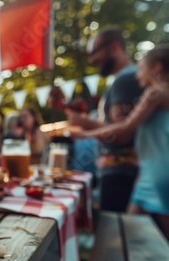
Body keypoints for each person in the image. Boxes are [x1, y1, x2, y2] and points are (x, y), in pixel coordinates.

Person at [72, 44, 169, 239]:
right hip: (150, 171)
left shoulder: (155, 93)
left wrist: (86, 134)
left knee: (125, 233)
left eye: (142, 68)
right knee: (126, 231)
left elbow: (126, 126)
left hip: (159, 172)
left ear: (157, 67)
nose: (137, 74)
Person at [66, 26, 145, 212]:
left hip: (121, 175)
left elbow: (122, 135)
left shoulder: (124, 81)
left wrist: (84, 125)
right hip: (125, 174)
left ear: (114, 47)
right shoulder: (127, 78)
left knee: (116, 239)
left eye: (95, 52)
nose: (91, 60)